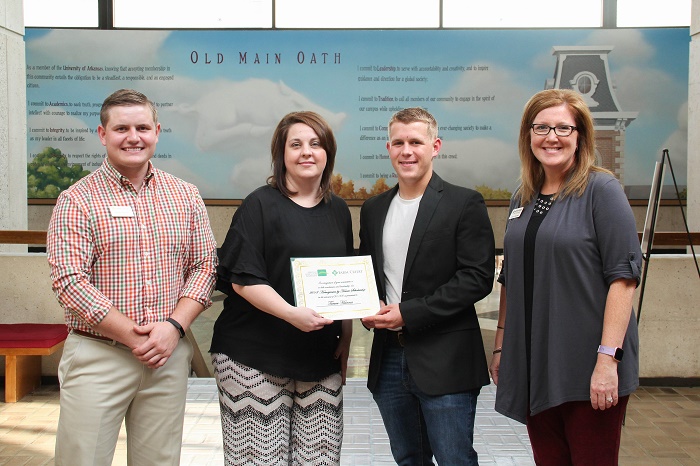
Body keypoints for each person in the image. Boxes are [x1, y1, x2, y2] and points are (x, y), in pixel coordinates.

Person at [47, 89, 218, 465]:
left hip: (167, 356)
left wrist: (173, 328)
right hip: (98, 355)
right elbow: (70, 282)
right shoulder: (76, 199)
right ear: (102, 134)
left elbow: (205, 267)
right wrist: (133, 336)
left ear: (157, 131)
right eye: (121, 128)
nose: (133, 137)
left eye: (142, 127)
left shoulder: (186, 196)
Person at [489, 88, 642, 465]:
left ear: (580, 136)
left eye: (563, 128)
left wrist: (608, 361)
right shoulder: (521, 197)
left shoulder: (601, 190)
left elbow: (624, 278)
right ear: (528, 135)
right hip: (534, 361)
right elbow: (511, 276)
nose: (551, 137)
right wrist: (501, 346)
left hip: (586, 364)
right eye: (541, 127)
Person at [210, 111, 354, 465]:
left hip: (319, 357)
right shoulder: (259, 204)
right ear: (281, 154)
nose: (307, 152)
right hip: (253, 358)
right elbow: (243, 279)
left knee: (320, 460)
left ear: (328, 153)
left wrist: (346, 337)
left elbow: (343, 278)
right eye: (296, 144)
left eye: (316, 144)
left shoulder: (338, 211)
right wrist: (292, 315)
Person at [360, 107, 496, 465]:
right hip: (388, 358)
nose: (407, 151)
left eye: (416, 142)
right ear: (388, 148)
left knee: (455, 460)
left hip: (446, 359)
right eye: (399, 142)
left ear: (435, 146)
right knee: (409, 459)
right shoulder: (373, 209)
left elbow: (477, 277)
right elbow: (367, 273)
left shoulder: (464, 203)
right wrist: (362, 304)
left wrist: (409, 312)